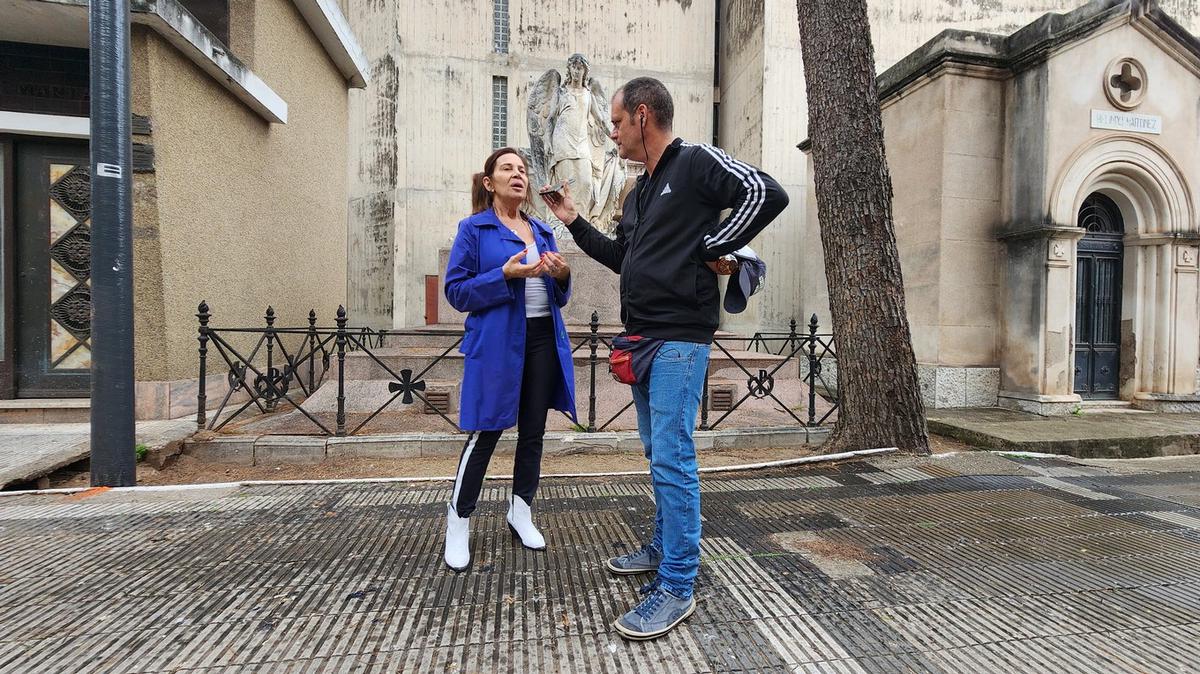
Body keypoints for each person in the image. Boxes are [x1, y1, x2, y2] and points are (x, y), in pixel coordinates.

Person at [541, 77, 788, 640]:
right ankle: (663, 546)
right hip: (642, 337)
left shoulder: (695, 161)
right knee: (657, 453)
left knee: (674, 456)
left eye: (617, 122)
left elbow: (767, 193)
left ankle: (678, 584)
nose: (612, 131)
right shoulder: (639, 192)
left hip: (680, 336)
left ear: (643, 116)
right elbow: (621, 257)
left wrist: (713, 244)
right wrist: (574, 220)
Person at [442, 147, 577, 572]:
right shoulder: (474, 229)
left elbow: (561, 294)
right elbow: (457, 292)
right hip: (498, 343)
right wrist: (504, 275)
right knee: (486, 432)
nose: (517, 174)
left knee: (533, 432)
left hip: (542, 340)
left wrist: (562, 274)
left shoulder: (542, 230)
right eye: (507, 169)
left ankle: (521, 511)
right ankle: (459, 519)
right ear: (489, 182)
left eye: (522, 169)